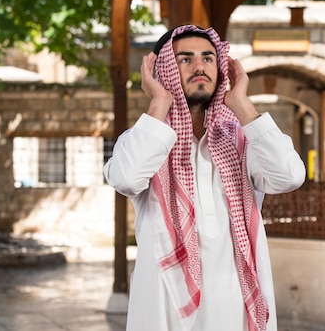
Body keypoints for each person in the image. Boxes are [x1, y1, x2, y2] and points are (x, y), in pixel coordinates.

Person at [103, 24, 306, 331]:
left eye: (208, 58)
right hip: (167, 311)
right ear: (165, 71)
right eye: (185, 59)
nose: (199, 66)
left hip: (235, 309)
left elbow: (290, 175)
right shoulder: (145, 141)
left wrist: (241, 104)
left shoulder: (244, 142)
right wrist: (159, 102)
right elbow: (126, 178)